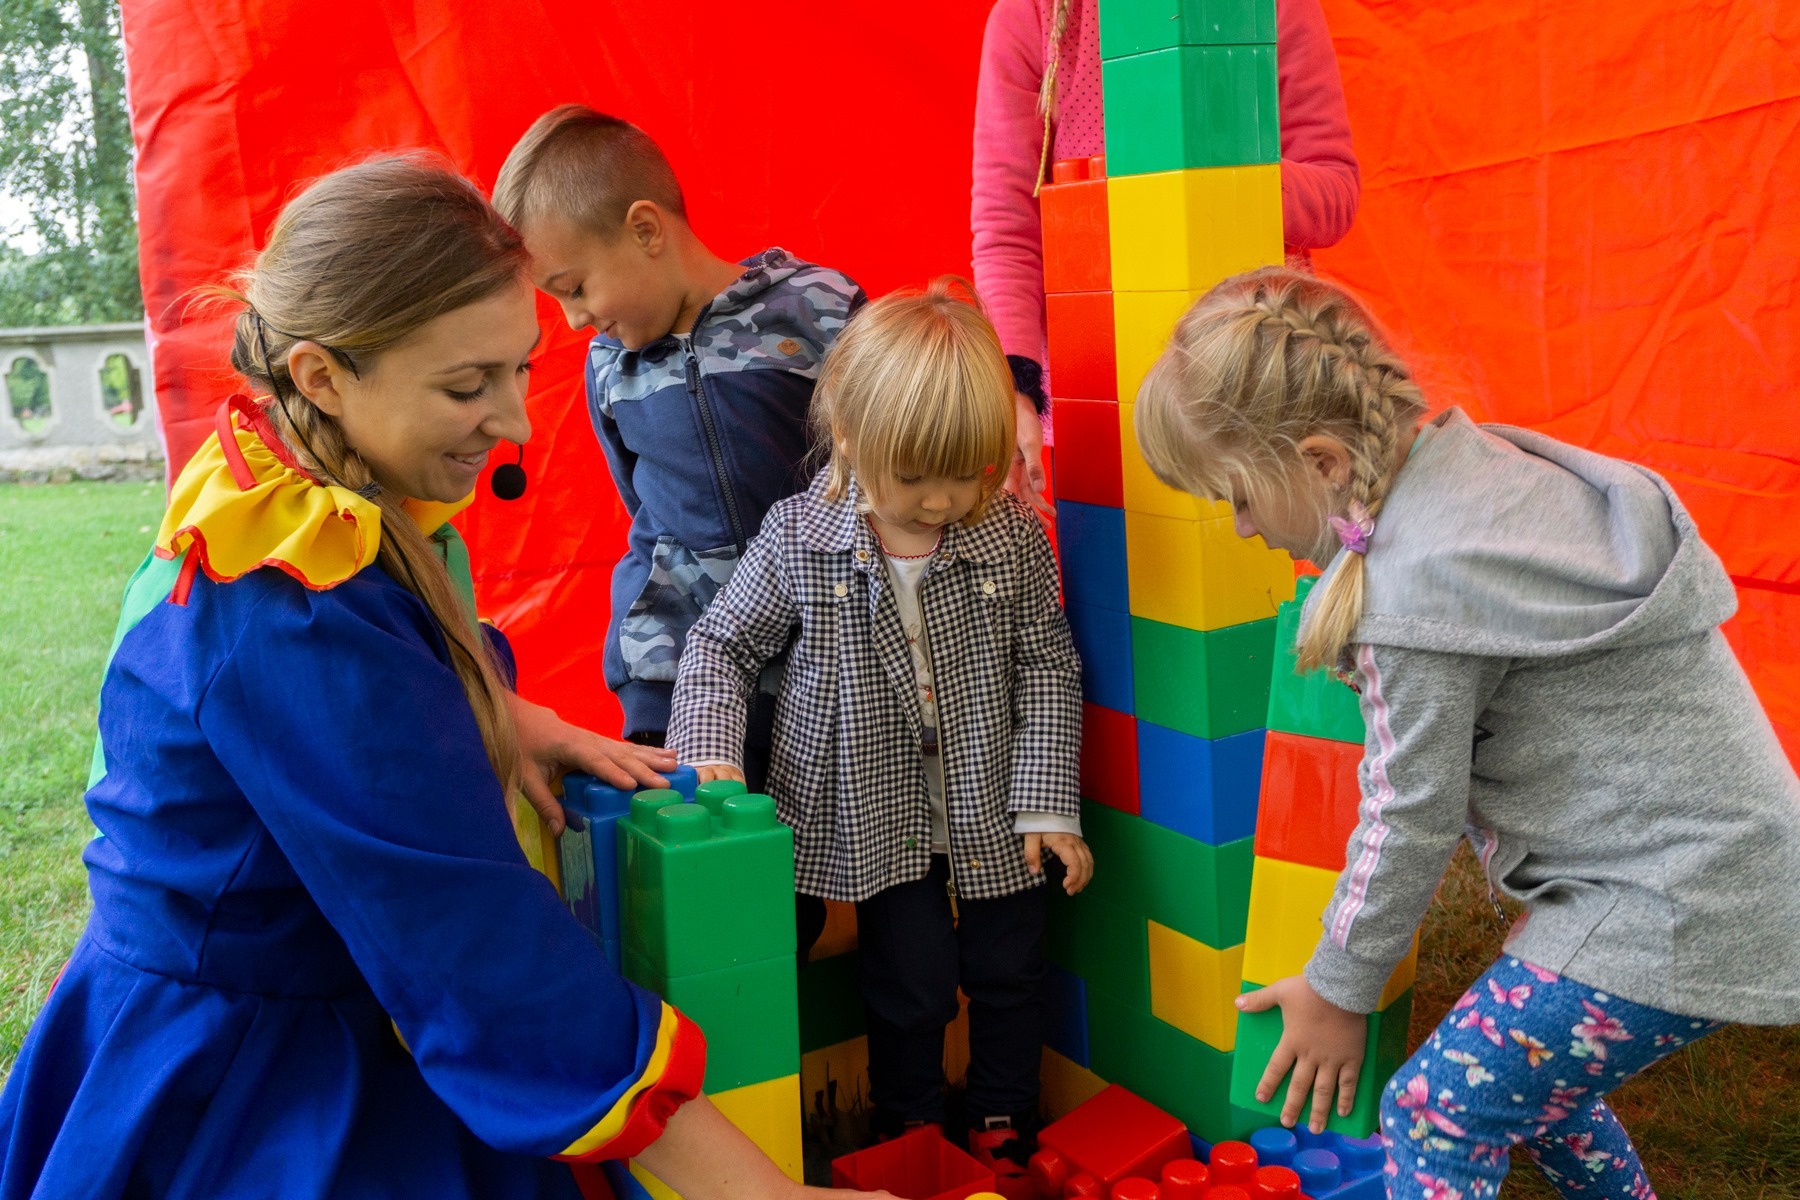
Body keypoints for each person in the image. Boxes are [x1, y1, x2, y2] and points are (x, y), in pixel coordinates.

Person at [0, 156, 890, 1200]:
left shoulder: (282, 470)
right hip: (258, 1080)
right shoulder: (301, 616)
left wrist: (507, 716)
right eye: (467, 386)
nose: (515, 423)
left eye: (518, 369)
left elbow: (340, 713)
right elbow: (480, 954)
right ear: (323, 374)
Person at [1133, 266, 1800, 1199]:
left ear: (1323, 463)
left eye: (1237, 498)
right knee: (1531, 1086)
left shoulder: (1415, 590)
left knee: (1436, 1110)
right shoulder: (1477, 476)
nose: (1241, 528)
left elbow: (1408, 811)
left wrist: (1337, 988)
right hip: (1725, 866)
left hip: (1671, 900)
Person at [668, 282, 1094, 1182]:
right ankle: (911, 1132)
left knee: (1011, 972)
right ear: (853, 440)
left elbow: (1050, 667)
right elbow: (719, 646)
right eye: (915, 479)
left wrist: (1048, 805)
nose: (942, 501)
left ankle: (1001, 1120)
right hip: (875, 811)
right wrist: (712, 749)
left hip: (991, 804)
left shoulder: (1010, 537)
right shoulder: (799, 537)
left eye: (970, 475)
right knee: (908, 987)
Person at [493, 107, 865, 795]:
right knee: (709, 874)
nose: (573, 319)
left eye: (574, 288)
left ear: (645, 230)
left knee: (806, 878)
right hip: (678, 668)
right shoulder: (610, 366)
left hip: (817, 657)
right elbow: (639, 504)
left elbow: (877, 472)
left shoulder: (819, 310)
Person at [972, 0, 1361, 510]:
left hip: (1250, 373)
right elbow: (1007, 227)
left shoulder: (1270, 8)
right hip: (1098, 382)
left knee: (1248, 560)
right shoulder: (1033, 16)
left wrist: (1211, 172)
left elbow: (1335, 191)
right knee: (1118, 570)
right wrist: (1015, 389)